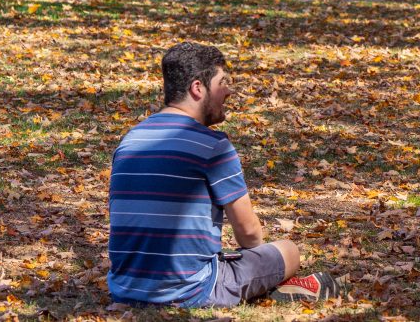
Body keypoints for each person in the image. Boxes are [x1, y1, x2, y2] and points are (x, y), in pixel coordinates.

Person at [108, 43, 340, 307]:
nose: (229, 91)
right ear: (198, 88)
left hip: (123, 287)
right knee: (289, 251)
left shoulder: (130, 140)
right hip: (193, 290)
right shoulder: (212, 145)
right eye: (222, 83)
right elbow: (249, 235)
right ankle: (269, 289)